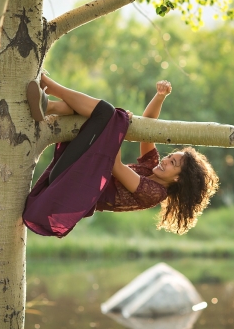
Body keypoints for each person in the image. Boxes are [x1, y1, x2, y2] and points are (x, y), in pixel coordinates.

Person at [23, 75, 219, 238]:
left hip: (69, 189)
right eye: (169, 156)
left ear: (178, 178)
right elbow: (149, 125)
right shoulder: (150, 167)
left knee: (108, 114)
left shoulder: (155, 193)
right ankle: (48, 107)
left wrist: (120, 125)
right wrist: (160, 96)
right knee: (102, 116)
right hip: (72, 177)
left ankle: (47, 84)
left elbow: (115, 166)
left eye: (172, 163)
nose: (165, 160)